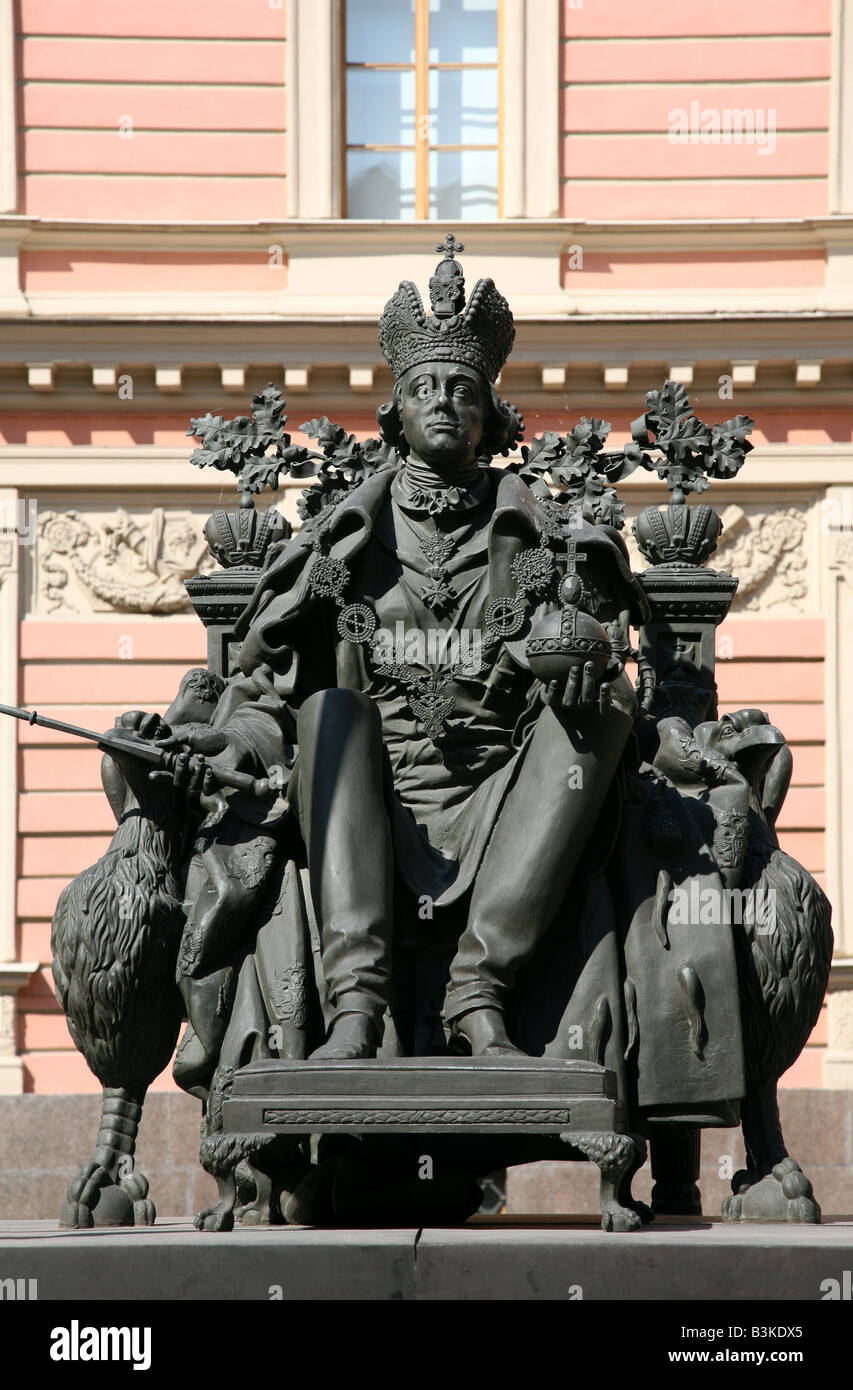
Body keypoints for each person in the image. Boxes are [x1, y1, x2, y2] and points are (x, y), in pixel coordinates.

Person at [139, 240, 649, 1068]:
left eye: (462, 390)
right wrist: (227, 746)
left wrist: (589, 672)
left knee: (602, 718)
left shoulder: (546, 546)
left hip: (504, 792)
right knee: (332, 710)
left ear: (489, 416)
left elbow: (589, 645)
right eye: (423, 388)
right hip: (361, 792)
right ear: (396, 415)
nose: (443, 401)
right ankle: (355, 1008)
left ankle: (477, 997)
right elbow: (267, 692)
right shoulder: (339, 550)